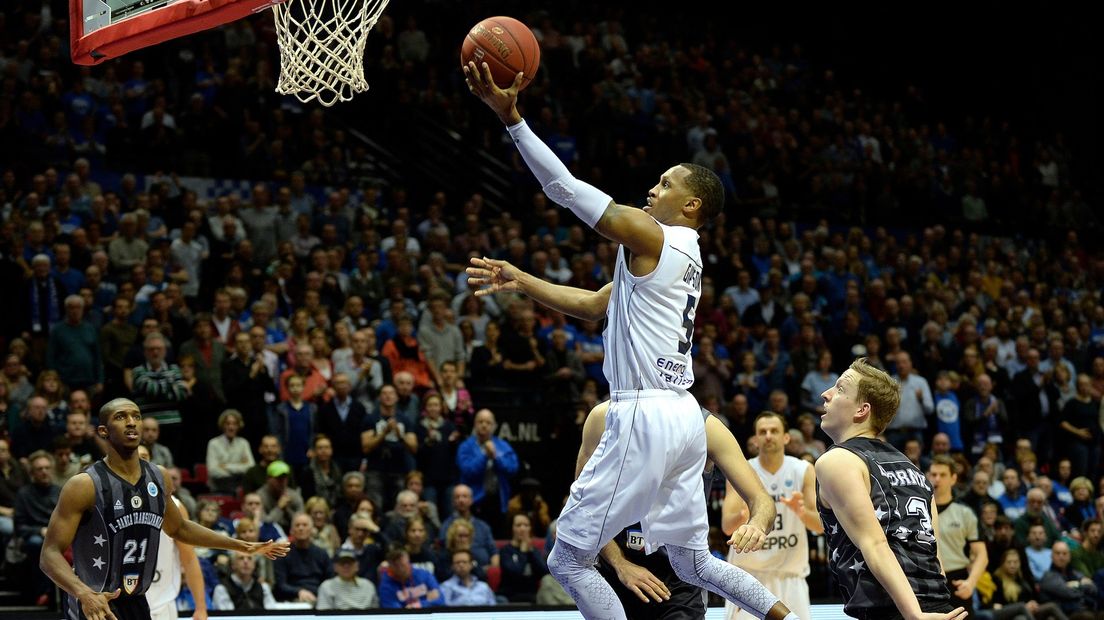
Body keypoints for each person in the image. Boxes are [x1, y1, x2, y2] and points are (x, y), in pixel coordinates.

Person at [466, 57, 794, 615]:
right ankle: (782, 617)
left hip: (642, 412)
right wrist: (521, 280)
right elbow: (596, 306)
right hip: (687, 419)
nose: (652, 187)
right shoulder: (681, 258)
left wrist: (512, 117)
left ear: (690, 205)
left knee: (567, 559)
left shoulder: (655, 236)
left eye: (665, 183)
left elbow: (564, 188)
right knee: (694, 563)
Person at [38, 398, 288, 620]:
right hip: (95, 604)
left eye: (136, 416)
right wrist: (83, 593)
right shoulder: (84, 485)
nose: (131, 422)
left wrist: (242, 545)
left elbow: (179, 528)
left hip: (138, 602)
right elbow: (49, 554)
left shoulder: (159, 477)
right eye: (121, 417)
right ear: (103, 431)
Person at [576, 399, 777, 620]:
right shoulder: (604, 417)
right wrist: (620, 563)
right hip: (616, 569)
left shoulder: (706, 426)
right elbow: (583, 510)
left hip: (681, 579)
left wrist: (756, 524)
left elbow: (761, 499)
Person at [814, 358, 965, 619]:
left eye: (840, 389)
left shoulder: (837, 460)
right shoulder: (916, 471)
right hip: (941, 609)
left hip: (897, 612)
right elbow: (935, 557)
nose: (825, 394)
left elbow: (874, 543)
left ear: (861, 410)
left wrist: (914, 615)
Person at [723, 412, 823, 620]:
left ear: (786, 437)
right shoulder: (741, 470)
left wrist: (801, 512)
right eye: (762, 432)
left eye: (774, 431)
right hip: (748, 576)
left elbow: (819, 527)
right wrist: (742, 516)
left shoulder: (803, 469)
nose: (768, 436)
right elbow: (726, 526)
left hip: (790, 575)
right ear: (755, 439)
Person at [136, 444, 207, 620]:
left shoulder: (173, 506)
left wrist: (200, 607)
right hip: (122, 603)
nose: (139, 460)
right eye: (133, 455)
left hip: (162, 605)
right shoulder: (110, 500)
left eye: (144, 456)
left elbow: (189, 558)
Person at [928, 455, 988, 619]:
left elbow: (982, 554)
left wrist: (971, 582)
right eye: (933, 474)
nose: (937, 479)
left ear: (953, 478)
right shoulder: (917, 510)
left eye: (943, 475)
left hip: (956, 580)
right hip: (926, 578)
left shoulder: (964, 512)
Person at [456, 408, 518, 536]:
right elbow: (468, 471)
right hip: (475, 502)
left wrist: (496, 457)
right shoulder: (465, 447)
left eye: (488, 422)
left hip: (499, 500)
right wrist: (485, 455)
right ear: (475, 424)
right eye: (481, 422)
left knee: (498, 537)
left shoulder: (503, 446)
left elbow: (512, 468)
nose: (484, 425)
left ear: (494, 426)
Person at [273, 512, 332, 604]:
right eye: (297, 525)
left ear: (312, 529)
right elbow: (281, 585)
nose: (301, 528)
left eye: (305, 525)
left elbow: (330, 581)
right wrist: (299, 592)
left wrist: (320, 594)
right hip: (292, 599)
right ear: (291, 530)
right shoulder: (282, 554)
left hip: (320, 597)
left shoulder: (322, 554)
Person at [498, 513, 549, 603]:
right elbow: (516, 573)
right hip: (510, 597)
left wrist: (531, 551)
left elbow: (544, 572)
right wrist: (523, 551)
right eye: (518, 525)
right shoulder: (505, 551)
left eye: (526, 525)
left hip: (533, 596)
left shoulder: (534, 551)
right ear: (512, 528)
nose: (522, 529)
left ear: (530, 529)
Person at [378, 546, 444, 609]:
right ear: (390, 566)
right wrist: (428, 601)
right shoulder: (386, 584)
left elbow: (440, 600)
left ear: (408, 560)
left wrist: (417, 605)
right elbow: (394, 612)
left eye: (403, 565)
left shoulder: (424, 575)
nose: (401, 569)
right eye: (396, 566)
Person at [211, 552, 277, 611]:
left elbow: (271, 613)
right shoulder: (221, 589)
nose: (246, 561)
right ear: (233, 565)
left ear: (254, 565)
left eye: (249, 558)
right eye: (241, 558)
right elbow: (227, 616)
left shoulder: (263, 587)